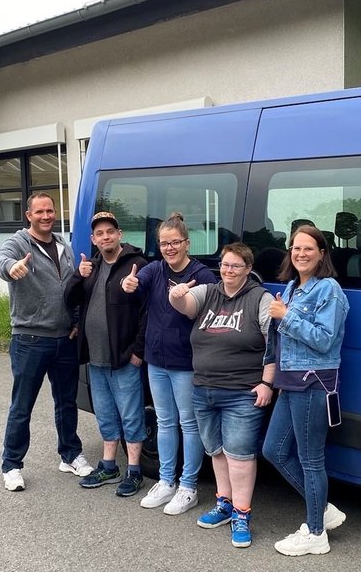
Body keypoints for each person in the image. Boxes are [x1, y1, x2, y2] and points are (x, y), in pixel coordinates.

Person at [168, 242, 275, 549]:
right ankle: (224, 503)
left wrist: (268, 383)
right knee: (216, 451)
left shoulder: (260, 298)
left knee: (240, 455)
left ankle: (242, 514)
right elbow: (186, 305)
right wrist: (177, 296)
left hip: (242, 392)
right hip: (203, 389)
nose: (228, 271)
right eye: (225, 265)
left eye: (236, 266)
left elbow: (274, 345)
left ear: (248, 270)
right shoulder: (209, 292)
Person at [0, 192, 93, 492]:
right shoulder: (19, 243)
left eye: (50, 211)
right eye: (40, 212)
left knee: (66, 402)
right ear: (29, 215)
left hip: (64, 339)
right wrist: (11, 268)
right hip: (30, 339)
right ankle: (11, 465)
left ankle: (70, 454)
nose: (46, 216)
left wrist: (76, 321)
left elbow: (72, 287)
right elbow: (0, 260)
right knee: (22, 406)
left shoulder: (63, 245)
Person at [262, 225, 350, 556]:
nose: (300, 254)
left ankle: (315, 534)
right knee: (273, 450)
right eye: (295, 248)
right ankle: (323, 509)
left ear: (322, 253)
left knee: (311, 459)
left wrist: (285, 317)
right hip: (291, 381)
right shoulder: (293, 288)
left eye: (308, 249)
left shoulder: (329, 290)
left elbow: (325, 339)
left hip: (314, 382)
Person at [121, 212, 217, 514]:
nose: (169, 248)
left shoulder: (202, 275)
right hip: (156, 360)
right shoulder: (155, 269)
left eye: (175, 242)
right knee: (164, 422)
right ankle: (166, 481)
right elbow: (138, 282)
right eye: (164, 243)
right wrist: (130, 282)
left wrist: (187, 297)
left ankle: (188, 486)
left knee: (189, 424)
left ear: (187, 243)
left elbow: (210, 317)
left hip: (187, 363)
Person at [64, 211, 148, 497]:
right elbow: (70, 300)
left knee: (131, 415)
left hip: (124, 358)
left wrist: (138, 351)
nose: (105, 237)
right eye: (99, 234)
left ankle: (134, 470)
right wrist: (78, 276)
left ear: (119, 234)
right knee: (106, 414)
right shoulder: (92, 266)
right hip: (95, 357)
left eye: (110, 231)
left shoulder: (137, 265)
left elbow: (148, 312)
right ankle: (109, 464)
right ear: (93, 239)